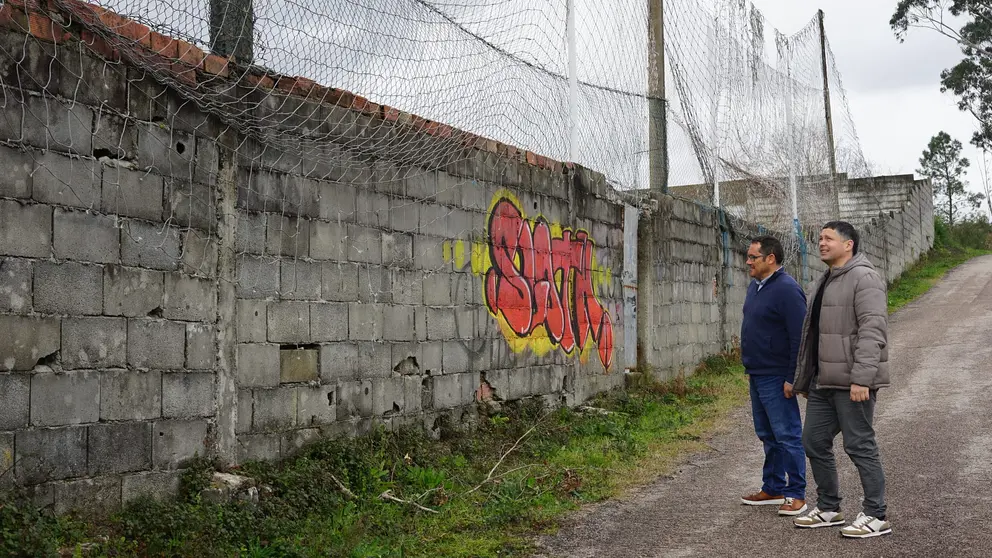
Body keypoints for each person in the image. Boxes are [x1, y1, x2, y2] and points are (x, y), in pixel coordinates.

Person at [789, 221, 892, 538]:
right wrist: (807, 378)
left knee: (860, 445)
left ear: (848, 244)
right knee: (813, 441)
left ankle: (876, 516)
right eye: (819, 238)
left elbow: (872, 331)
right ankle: (829, 508)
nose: (821, 243)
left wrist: (861, 379)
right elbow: (813, 335)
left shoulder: (865, 278)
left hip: (853, 383)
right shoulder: (823, 280)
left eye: (828, 238)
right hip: (824, 382)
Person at [739, 235, 809, 516]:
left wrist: (793, 377)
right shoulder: (756, 286)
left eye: (753, 257)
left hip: (777, 375)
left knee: (787, 435)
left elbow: (799, 337)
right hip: (757, 372)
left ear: (770, 258)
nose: (748, 262)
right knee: (767, 433)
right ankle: (773, 487)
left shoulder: (787, 290)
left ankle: (796, 494)